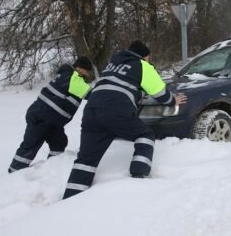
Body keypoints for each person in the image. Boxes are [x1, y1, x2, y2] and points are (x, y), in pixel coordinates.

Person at [63, 40, 187, 199]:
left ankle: (70, 198)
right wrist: (172, 100)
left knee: (86, 160)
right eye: (149, 58)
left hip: (92, 111)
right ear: (145, 56)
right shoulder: (142, 65)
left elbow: (121, 84)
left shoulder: (112, 64)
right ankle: (138, 179)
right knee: (145, 136)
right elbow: (160, 93)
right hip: (116, 109)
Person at [8, 57, 93, 173]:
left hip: (51, 120)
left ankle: (51, 169)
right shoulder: (73, 78)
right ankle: (14, 174)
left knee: (59, 142)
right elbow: (91, 94)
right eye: (87, 71)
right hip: (42, 118)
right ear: (80, 68)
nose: (88, 74)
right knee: (30, 145)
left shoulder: (65, 75)